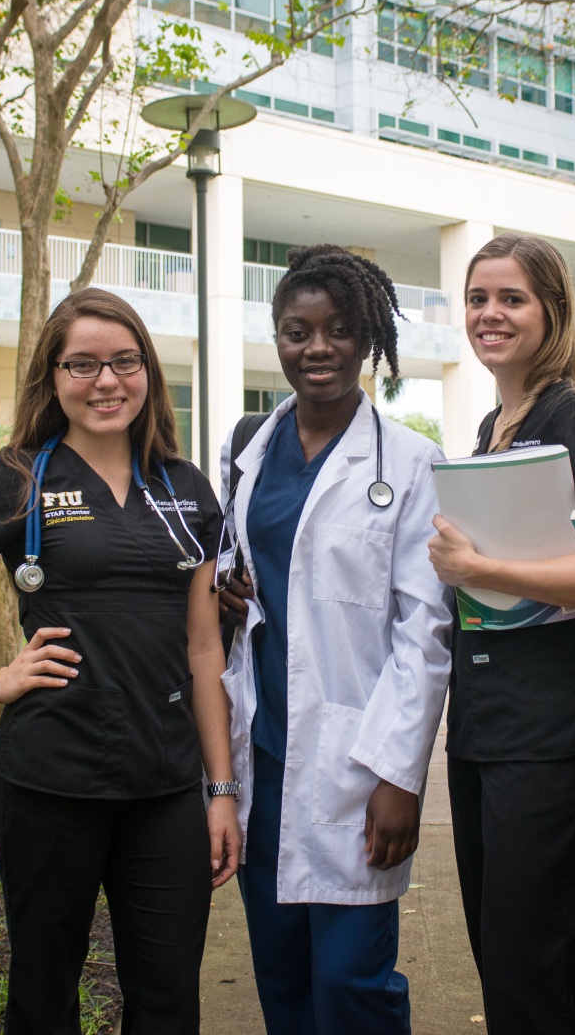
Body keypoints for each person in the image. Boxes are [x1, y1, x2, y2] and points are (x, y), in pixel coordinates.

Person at [0, 288, 239, 1035]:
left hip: (165, 788)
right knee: (43, 992)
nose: (107, 381)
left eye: (125, 362)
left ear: (148, 373)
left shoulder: (186, 490)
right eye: (84, 364)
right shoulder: (20, 480)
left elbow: (204, 648)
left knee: (168, 999)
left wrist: (220, 788)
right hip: (50, 779)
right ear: (54, 378)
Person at [215, 244, 452, 1035]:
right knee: (280, 972)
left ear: (368, 339)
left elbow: (425, 632)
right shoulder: (247, 451)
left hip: (357, 756)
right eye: (296, 331)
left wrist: (400, 778)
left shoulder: (413, 464)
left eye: (339, 330)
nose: (317, 348)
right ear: (276, 339)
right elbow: (238, 560)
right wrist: (225, 583)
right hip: (267, 752)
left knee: (353, 980)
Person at [425, 232, 575, 1035]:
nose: (490, 314)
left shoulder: (569, 413)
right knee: (500, 950)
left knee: (533, 959)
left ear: (552, 311)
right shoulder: (493, 422)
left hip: (552, 718)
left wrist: (479, 568)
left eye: (511, 298)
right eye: (478, 298)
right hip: (486, 713)